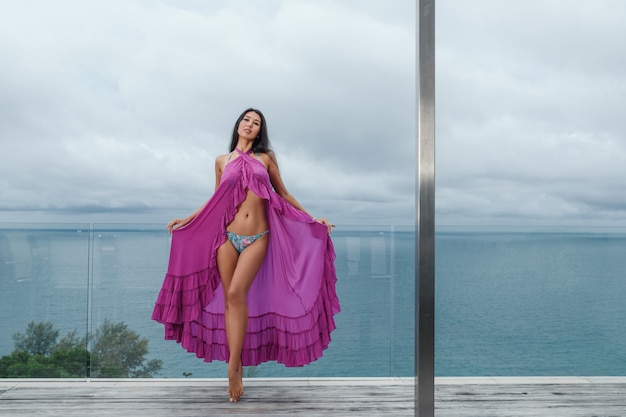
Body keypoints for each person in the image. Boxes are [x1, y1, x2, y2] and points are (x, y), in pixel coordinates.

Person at [151, 108, 340, 403]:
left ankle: (233, 366)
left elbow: (284, 194)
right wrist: (186, 220)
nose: (250, 125)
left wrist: (313, 219)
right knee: (230, 300)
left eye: (257, 123)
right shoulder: (221, 161)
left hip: (258, 237)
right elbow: (215, 201)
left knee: (237, 293)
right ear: (238, 125)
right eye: (246, 120)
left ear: (259, 131)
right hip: (226, 237)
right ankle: (236, 363)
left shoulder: (266, 159)